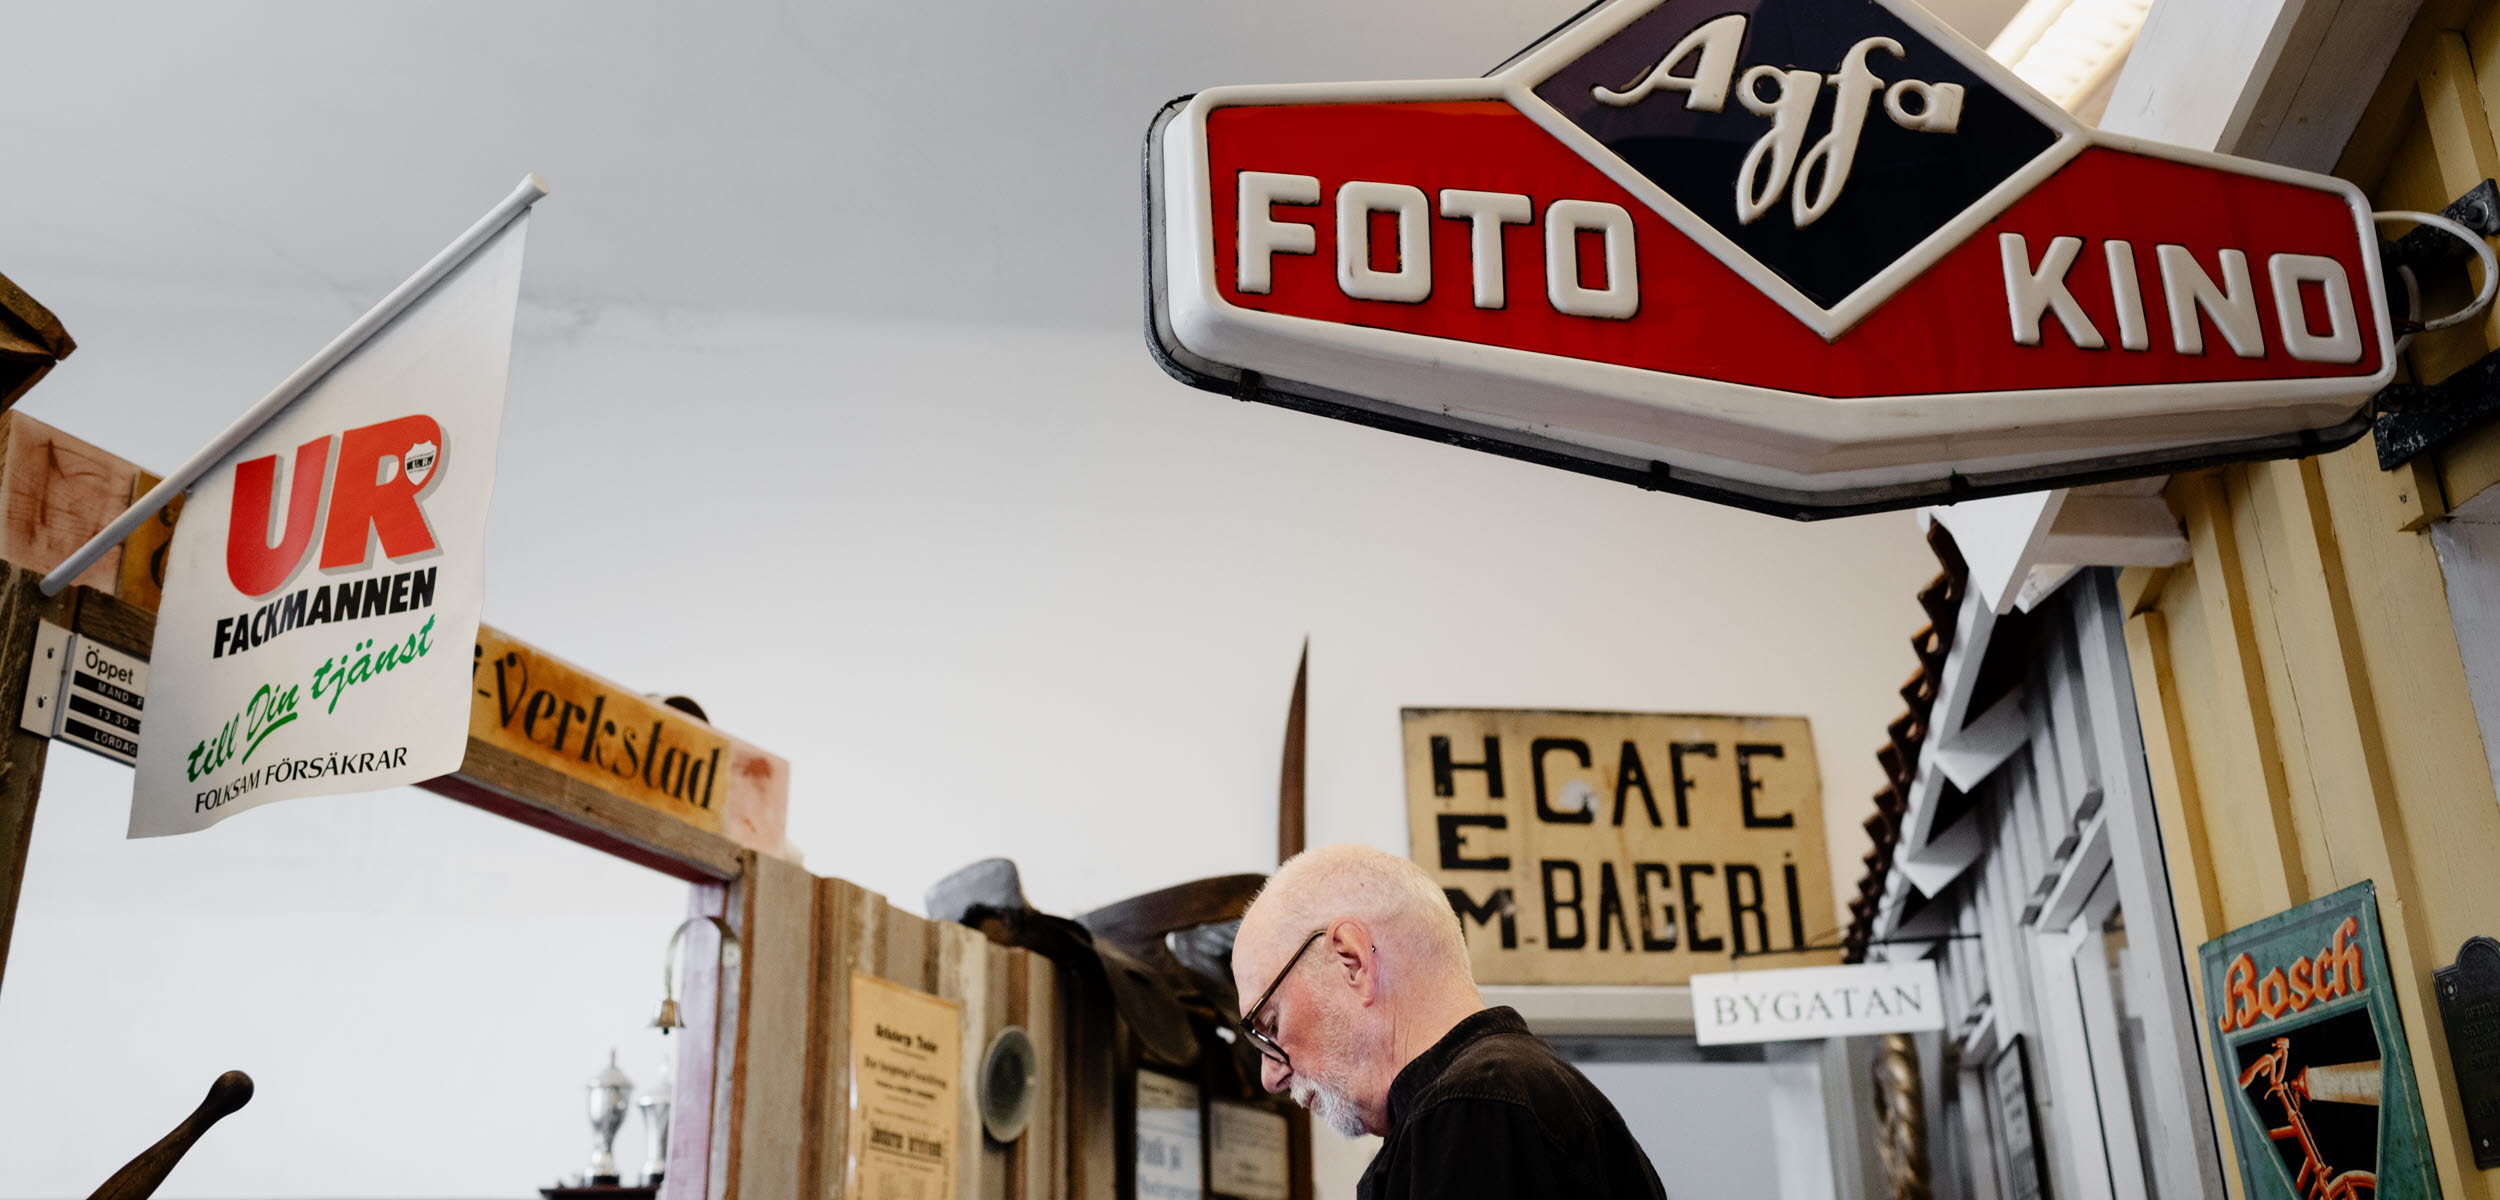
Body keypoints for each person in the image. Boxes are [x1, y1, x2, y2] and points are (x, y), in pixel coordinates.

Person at [1231, 844, 1669, 1199]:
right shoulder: (1497, 1100)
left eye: (1270, 1023)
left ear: (1353, 961)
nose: (1271, 1076)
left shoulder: (1476, 1107)